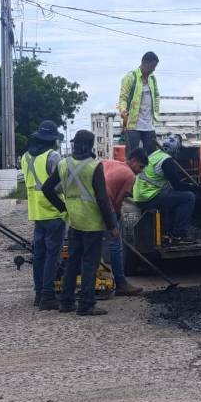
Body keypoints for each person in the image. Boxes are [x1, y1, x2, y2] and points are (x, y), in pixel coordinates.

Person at [42, 130, 118, 316]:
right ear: (90, 146)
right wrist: (112, 226)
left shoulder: (63, 164)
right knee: (90, 263)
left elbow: (47, 188)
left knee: (72, 262)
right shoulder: (94, 166)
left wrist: (63, 207)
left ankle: (66, 302)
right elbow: (102, 199)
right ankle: (86, 304)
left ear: (75, 144)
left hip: (74, 220)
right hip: (92, 222)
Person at [20, 120, 65, 310]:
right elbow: (60, 184)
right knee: (52, 256)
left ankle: (38, 294)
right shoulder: (53, 156)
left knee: (39, 255)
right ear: (52, 139)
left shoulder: (25, 157)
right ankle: (48, 296)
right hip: (53, 211)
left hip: (36, 212)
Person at [133, 134, 198, 244]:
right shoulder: (166, 160)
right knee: (189, 197)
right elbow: (177, 186)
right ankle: (179, 234)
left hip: (140, 194)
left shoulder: (155, 155)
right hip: (149, 196)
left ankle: (169, 232)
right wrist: (197, 189)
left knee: (174, 198)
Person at [101, 149, 149, 296]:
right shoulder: (130, 175)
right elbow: (117, 202)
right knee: (116, 244)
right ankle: (121, 283)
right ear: (133, 161)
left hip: (92, 205)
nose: (140, 171)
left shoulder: (109, 162)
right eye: (140, 167)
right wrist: (115, 220)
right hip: (107, 206)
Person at [118, 51, 160, 154]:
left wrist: (156, 112)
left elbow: (156, 95)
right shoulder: (130, 77)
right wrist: (123, 111)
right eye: (152, 66)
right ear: (144, 63)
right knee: (133, 155)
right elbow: (123, 98)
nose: (153, 69)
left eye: (155, 67)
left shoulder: (152, 78)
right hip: (133, 125)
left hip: (149, 125)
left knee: (152, 155)